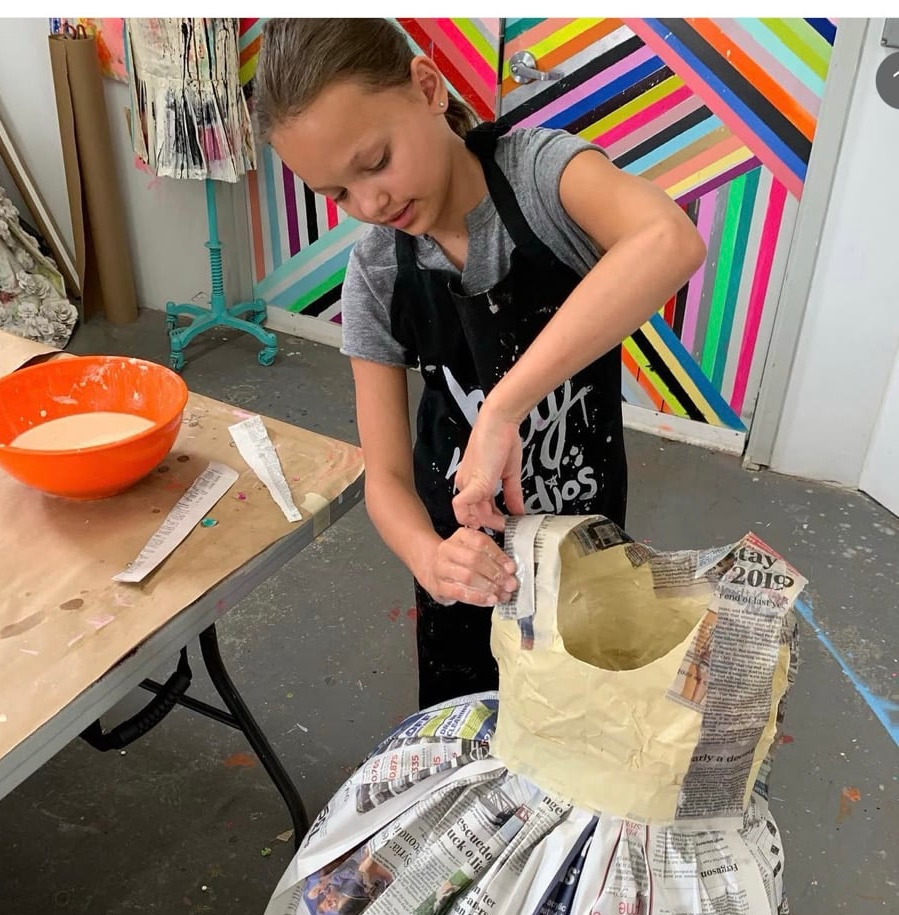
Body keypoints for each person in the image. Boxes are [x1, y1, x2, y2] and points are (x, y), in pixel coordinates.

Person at [254, 19, 706, 709]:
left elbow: (670, 240)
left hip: (582, 543)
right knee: (472, 725)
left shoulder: (542, 180)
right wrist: (428, 558)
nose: (369, 204)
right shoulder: (378, 271)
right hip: (466, 564)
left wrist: (502, 409)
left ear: (426, 88)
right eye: (337, 194)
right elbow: (386, 479)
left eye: (375, 162)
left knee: (582, 713)